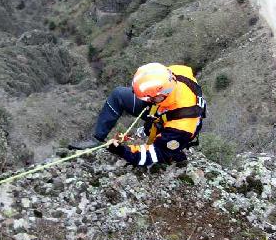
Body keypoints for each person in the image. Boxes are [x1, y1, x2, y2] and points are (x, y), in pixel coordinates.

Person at [69, 63, 206, 167]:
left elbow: (152, 153)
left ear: (158, 96)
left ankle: (174, 153)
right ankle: (96, 139)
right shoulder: (175, 74)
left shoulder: (182, 125)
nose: (142, 100)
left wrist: (122, 151)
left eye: (146, 98)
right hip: (162, 107)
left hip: (174, 124)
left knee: (163, 152)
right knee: (118, 95)